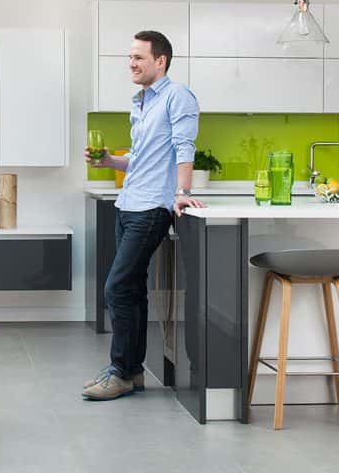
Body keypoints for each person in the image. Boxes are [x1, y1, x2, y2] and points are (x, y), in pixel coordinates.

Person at [82, 30, 204, 401]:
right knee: (131, 289)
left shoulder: (177, 97)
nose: (131, 64)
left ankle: (120, 371)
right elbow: (142, 157)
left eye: (139, 58)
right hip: (128, 202)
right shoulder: (140, 102)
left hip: (153, 206)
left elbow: (185, 147)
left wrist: (182, 194)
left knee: (116, 287)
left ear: (160, 61)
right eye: (130, 57)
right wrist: (108, 161)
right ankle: (132, 372)